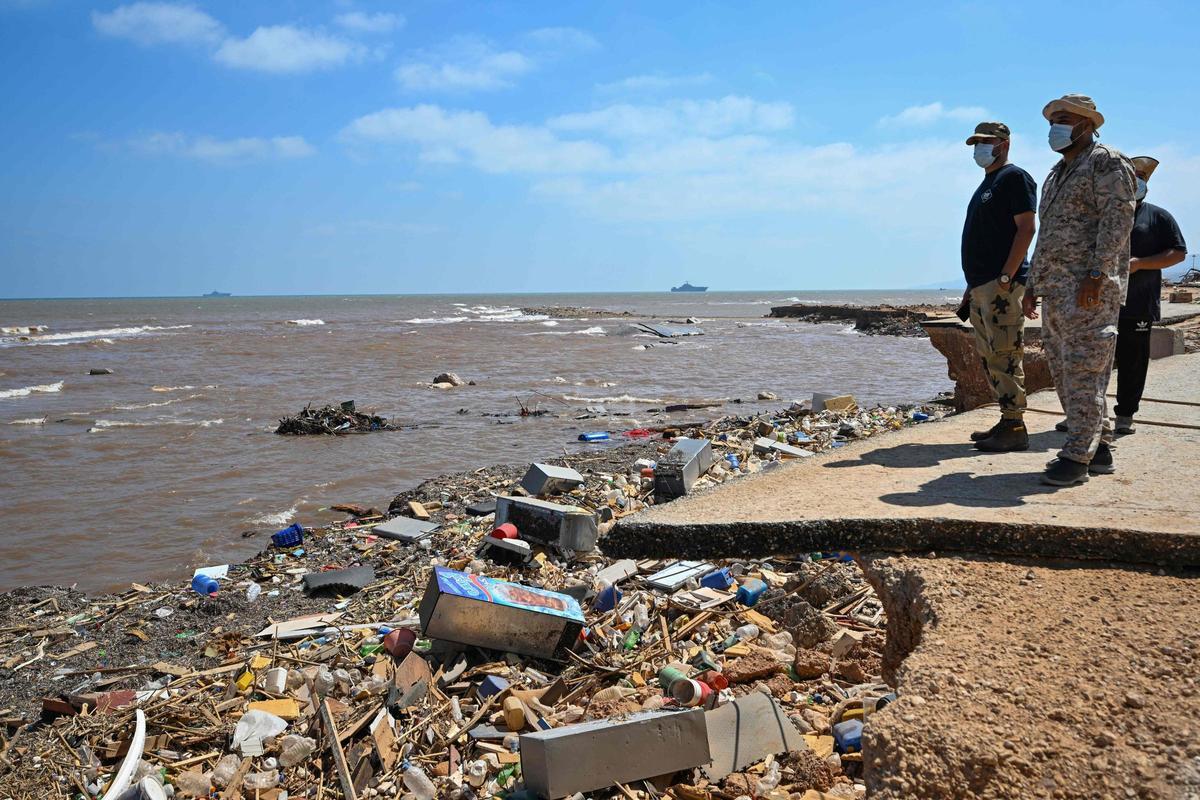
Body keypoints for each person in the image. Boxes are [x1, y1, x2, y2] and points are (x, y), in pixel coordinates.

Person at [1023, 94, 1136, 486]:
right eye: (1053, 118)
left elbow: (1118, 220)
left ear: (1087, 124)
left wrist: (1098, 274)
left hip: (1089, 291)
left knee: (1084, 372)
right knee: (1063, 372)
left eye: (1065, 118)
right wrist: (1032, 283)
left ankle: (1076, 459)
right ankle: (1097, 446)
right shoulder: (1056, 173)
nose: (1055, 125)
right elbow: (1048, 235)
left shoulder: (1106, 162)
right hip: (1055, 291)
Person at [960, 121, 1038, 451]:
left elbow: (1026, 229)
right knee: (990, 355)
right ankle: (1007, 419)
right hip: (982, 285)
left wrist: (1007, 276)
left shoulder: (1014, 178)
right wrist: (971, 286)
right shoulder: (988, 182)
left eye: (985, 141)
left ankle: (1015, 426)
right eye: (976, 143)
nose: (979, 148)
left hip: (1001, 286)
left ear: (1003, 144)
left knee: (1005, 353)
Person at [1113, 156, 1187, 433]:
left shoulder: (1157, 216)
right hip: (1100, 302)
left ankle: (1125, 414)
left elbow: (1178, 253)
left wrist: (1142, 263)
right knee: (1093, 361)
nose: (1137, 180)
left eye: (1142, 176)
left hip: (1138, 302)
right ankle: (1083, 414)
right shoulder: (1106, 213)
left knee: (1133, 360)